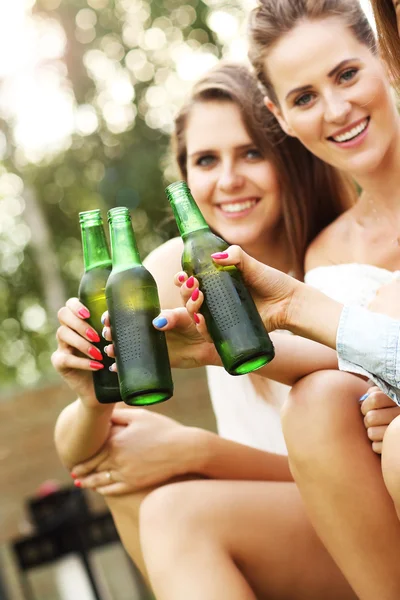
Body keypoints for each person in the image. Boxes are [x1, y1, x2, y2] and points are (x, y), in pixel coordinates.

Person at [53, 62, 366, 596]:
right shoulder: (178, 267)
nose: (227, 180)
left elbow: (349, 477)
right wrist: (92, 398)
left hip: (362, 522)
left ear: (289, 156)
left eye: (251, 153)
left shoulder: (339, 263)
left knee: (175, 511)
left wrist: (199, 452)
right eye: (205, 160)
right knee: (132, 486)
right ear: (186, 178)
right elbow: (81, 454)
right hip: (279, 520)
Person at [135, 2, 400, 598]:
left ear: (387, 56)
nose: (335, 110)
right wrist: (212, 345)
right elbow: (333, 355)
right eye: (304, 98)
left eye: (347, 75)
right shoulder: (329, 254)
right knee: (315, 402)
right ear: (282, 115)